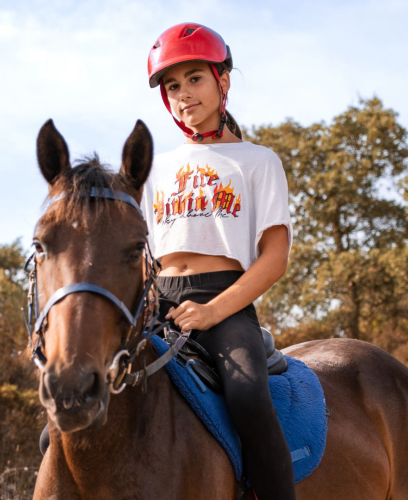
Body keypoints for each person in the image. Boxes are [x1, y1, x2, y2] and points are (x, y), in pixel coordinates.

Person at [141, 22, 296, 500]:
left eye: (195, 79)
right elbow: (144, 253)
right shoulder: (155, 168)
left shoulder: (258, 160)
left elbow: (274, 259)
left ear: (222, 81)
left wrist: (212, 312)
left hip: (223, 301)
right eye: (172, 86)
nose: (184, 94)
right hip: (159, 301)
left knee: (248, 395)